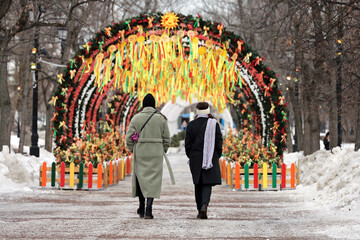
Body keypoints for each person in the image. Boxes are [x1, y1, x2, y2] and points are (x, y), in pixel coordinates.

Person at [126, 93, 170, 219]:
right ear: (154, 104)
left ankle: (141, 206)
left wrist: (133, 149)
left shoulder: (136, 118)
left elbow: (129, 138)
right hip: (156, 153)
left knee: (140, 179)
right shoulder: (161, 119)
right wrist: (163, 150)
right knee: (153, 181)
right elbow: (166, 138)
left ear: (143, 105)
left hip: (140, 152)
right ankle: (149, 208)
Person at [185, 102, 223, 219]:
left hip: (196, 157)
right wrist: (217, 154)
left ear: (197, 111)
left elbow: (188, 144)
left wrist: (190, 155)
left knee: (198, 183)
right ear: (208, 110)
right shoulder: (214, 124)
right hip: (210, 156)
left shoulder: (191, 125)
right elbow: (219, 142)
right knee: (207, 184)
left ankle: (199, 209)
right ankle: (204, 206)